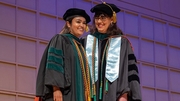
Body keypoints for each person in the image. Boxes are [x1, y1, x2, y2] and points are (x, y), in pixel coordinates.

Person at [80, 2, 141, 101]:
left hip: (115, 96)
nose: (99, 21)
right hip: (88, 95)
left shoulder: (122, 43)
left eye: (103, 18)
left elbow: (130, 71)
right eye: (97, 18)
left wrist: (124, 94)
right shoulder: (86, 42)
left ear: (112, 19)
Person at [34, 8, 92, 101]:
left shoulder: (80, 46)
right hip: (65, 93)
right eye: (78, 22)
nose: (82, 25)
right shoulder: (60, 39)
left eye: (84, 23)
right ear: (68, 24)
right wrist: (56, 89)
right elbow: (54, 65)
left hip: (78, 94)